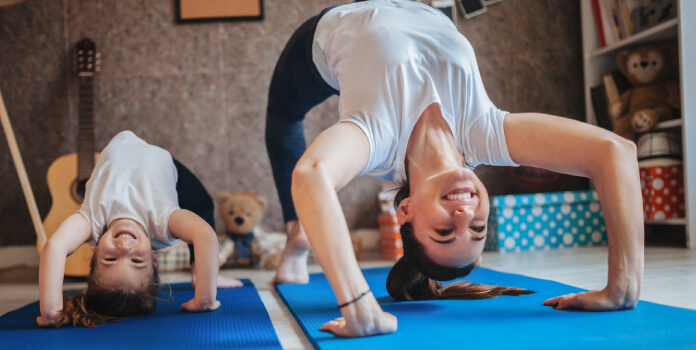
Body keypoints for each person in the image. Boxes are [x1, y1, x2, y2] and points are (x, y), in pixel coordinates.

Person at [265, 0, 644, 337]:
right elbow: (615, 152)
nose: (464, 215)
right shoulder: (486, 133)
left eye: (445, 230)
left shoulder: (377, 140)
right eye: (478, 227)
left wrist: (359, 305)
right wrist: (622, 287)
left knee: (283, 119)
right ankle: (305, 230)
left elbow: (311, 173)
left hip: (333, 28)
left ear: (406, 210)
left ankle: (299, 232)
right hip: (419, 8)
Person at [38, 130, 243, 328]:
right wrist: (205, 297)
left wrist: (51, 312)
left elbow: (55, 247)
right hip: (160, 161)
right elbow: (204, 234)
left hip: (117, 147)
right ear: (154, 259)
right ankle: (200, 272)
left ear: (93, 256)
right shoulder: (163, 223)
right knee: (202, 204)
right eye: (136, 261)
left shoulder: (92, 222)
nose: (124, 249)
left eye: (110, 260)